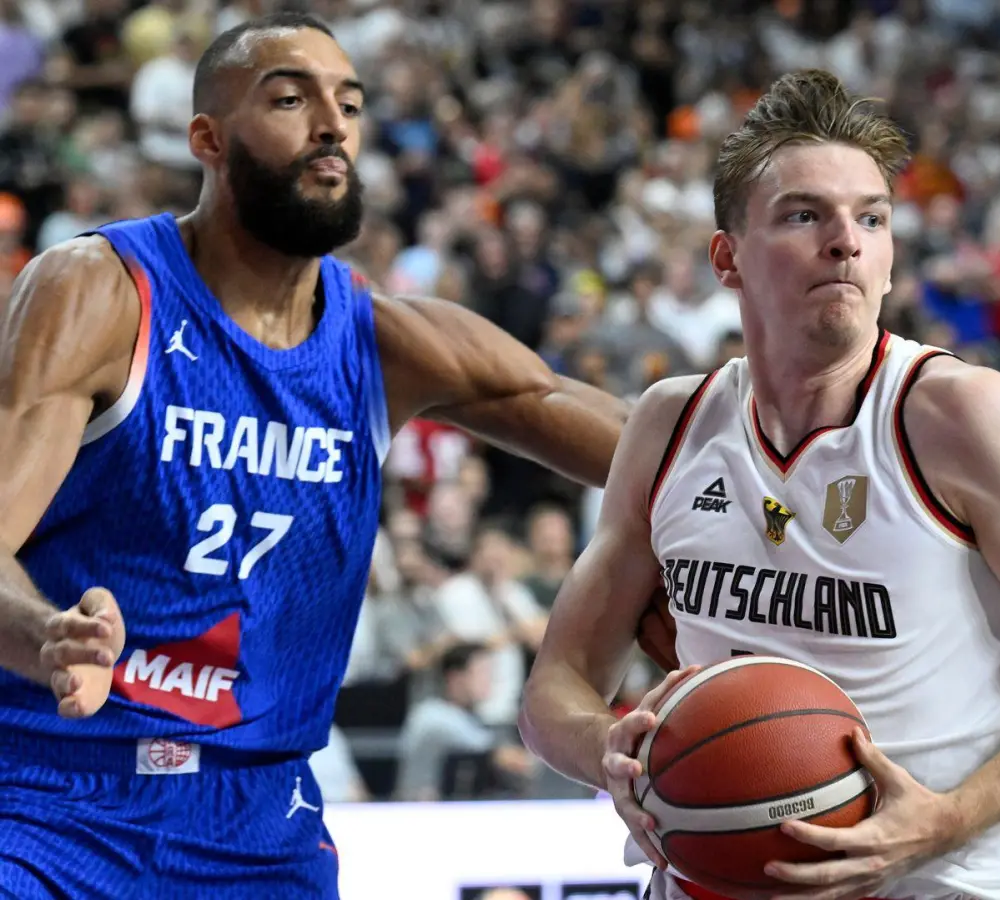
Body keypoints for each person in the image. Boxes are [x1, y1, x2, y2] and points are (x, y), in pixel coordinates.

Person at [0, 12, 628, 898]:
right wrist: (42, 634)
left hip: (259, 824)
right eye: (290, 99)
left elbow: (657, 449)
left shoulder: (387, 341)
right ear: (207, 140)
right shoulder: (103, 292)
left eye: (351, 103)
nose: (332, 123)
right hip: (46, 799)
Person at [520, 69, 1000, 900]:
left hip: (942, 883)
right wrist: (608, 750)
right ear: (727, 258)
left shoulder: (966, 419)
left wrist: (952, 816)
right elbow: (555, 686)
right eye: (805, 215)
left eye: (870, 216)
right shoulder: (670, 425)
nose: (847, 240)